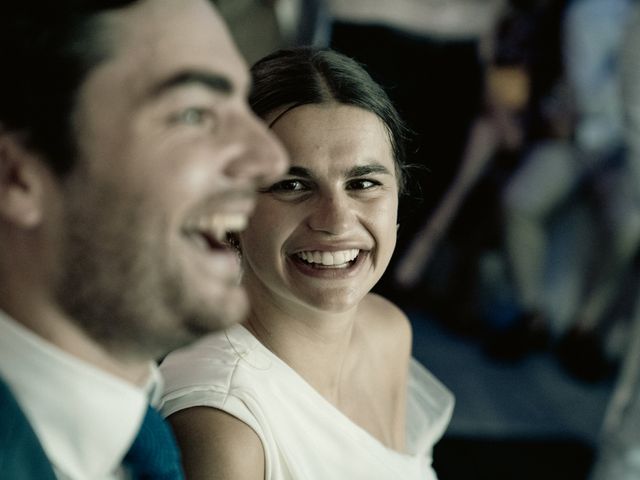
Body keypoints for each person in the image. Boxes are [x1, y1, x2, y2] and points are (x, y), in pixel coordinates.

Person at [0, 1, 287, 478]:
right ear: (15, 177)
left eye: (244, 107)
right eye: (194, 114)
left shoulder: (143, 435)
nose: (270, 159)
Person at [160, 47, 454, 480]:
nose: (336, 221)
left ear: (398, 195)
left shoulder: (386, 329)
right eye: (292, 184)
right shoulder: (223, 427)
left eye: (363, 183)